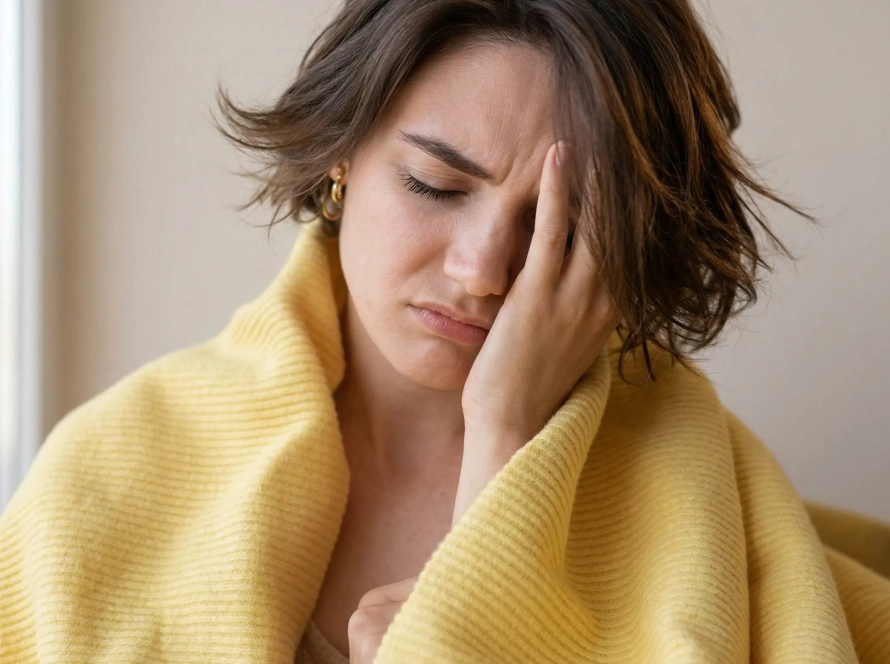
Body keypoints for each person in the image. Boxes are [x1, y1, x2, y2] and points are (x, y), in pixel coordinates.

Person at [2, 1, 889, 663]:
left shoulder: (706, 507)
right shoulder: (114, 473)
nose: (482, 272)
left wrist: (501, 440)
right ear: (343, 156)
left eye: (559, 228)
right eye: (435, 184)